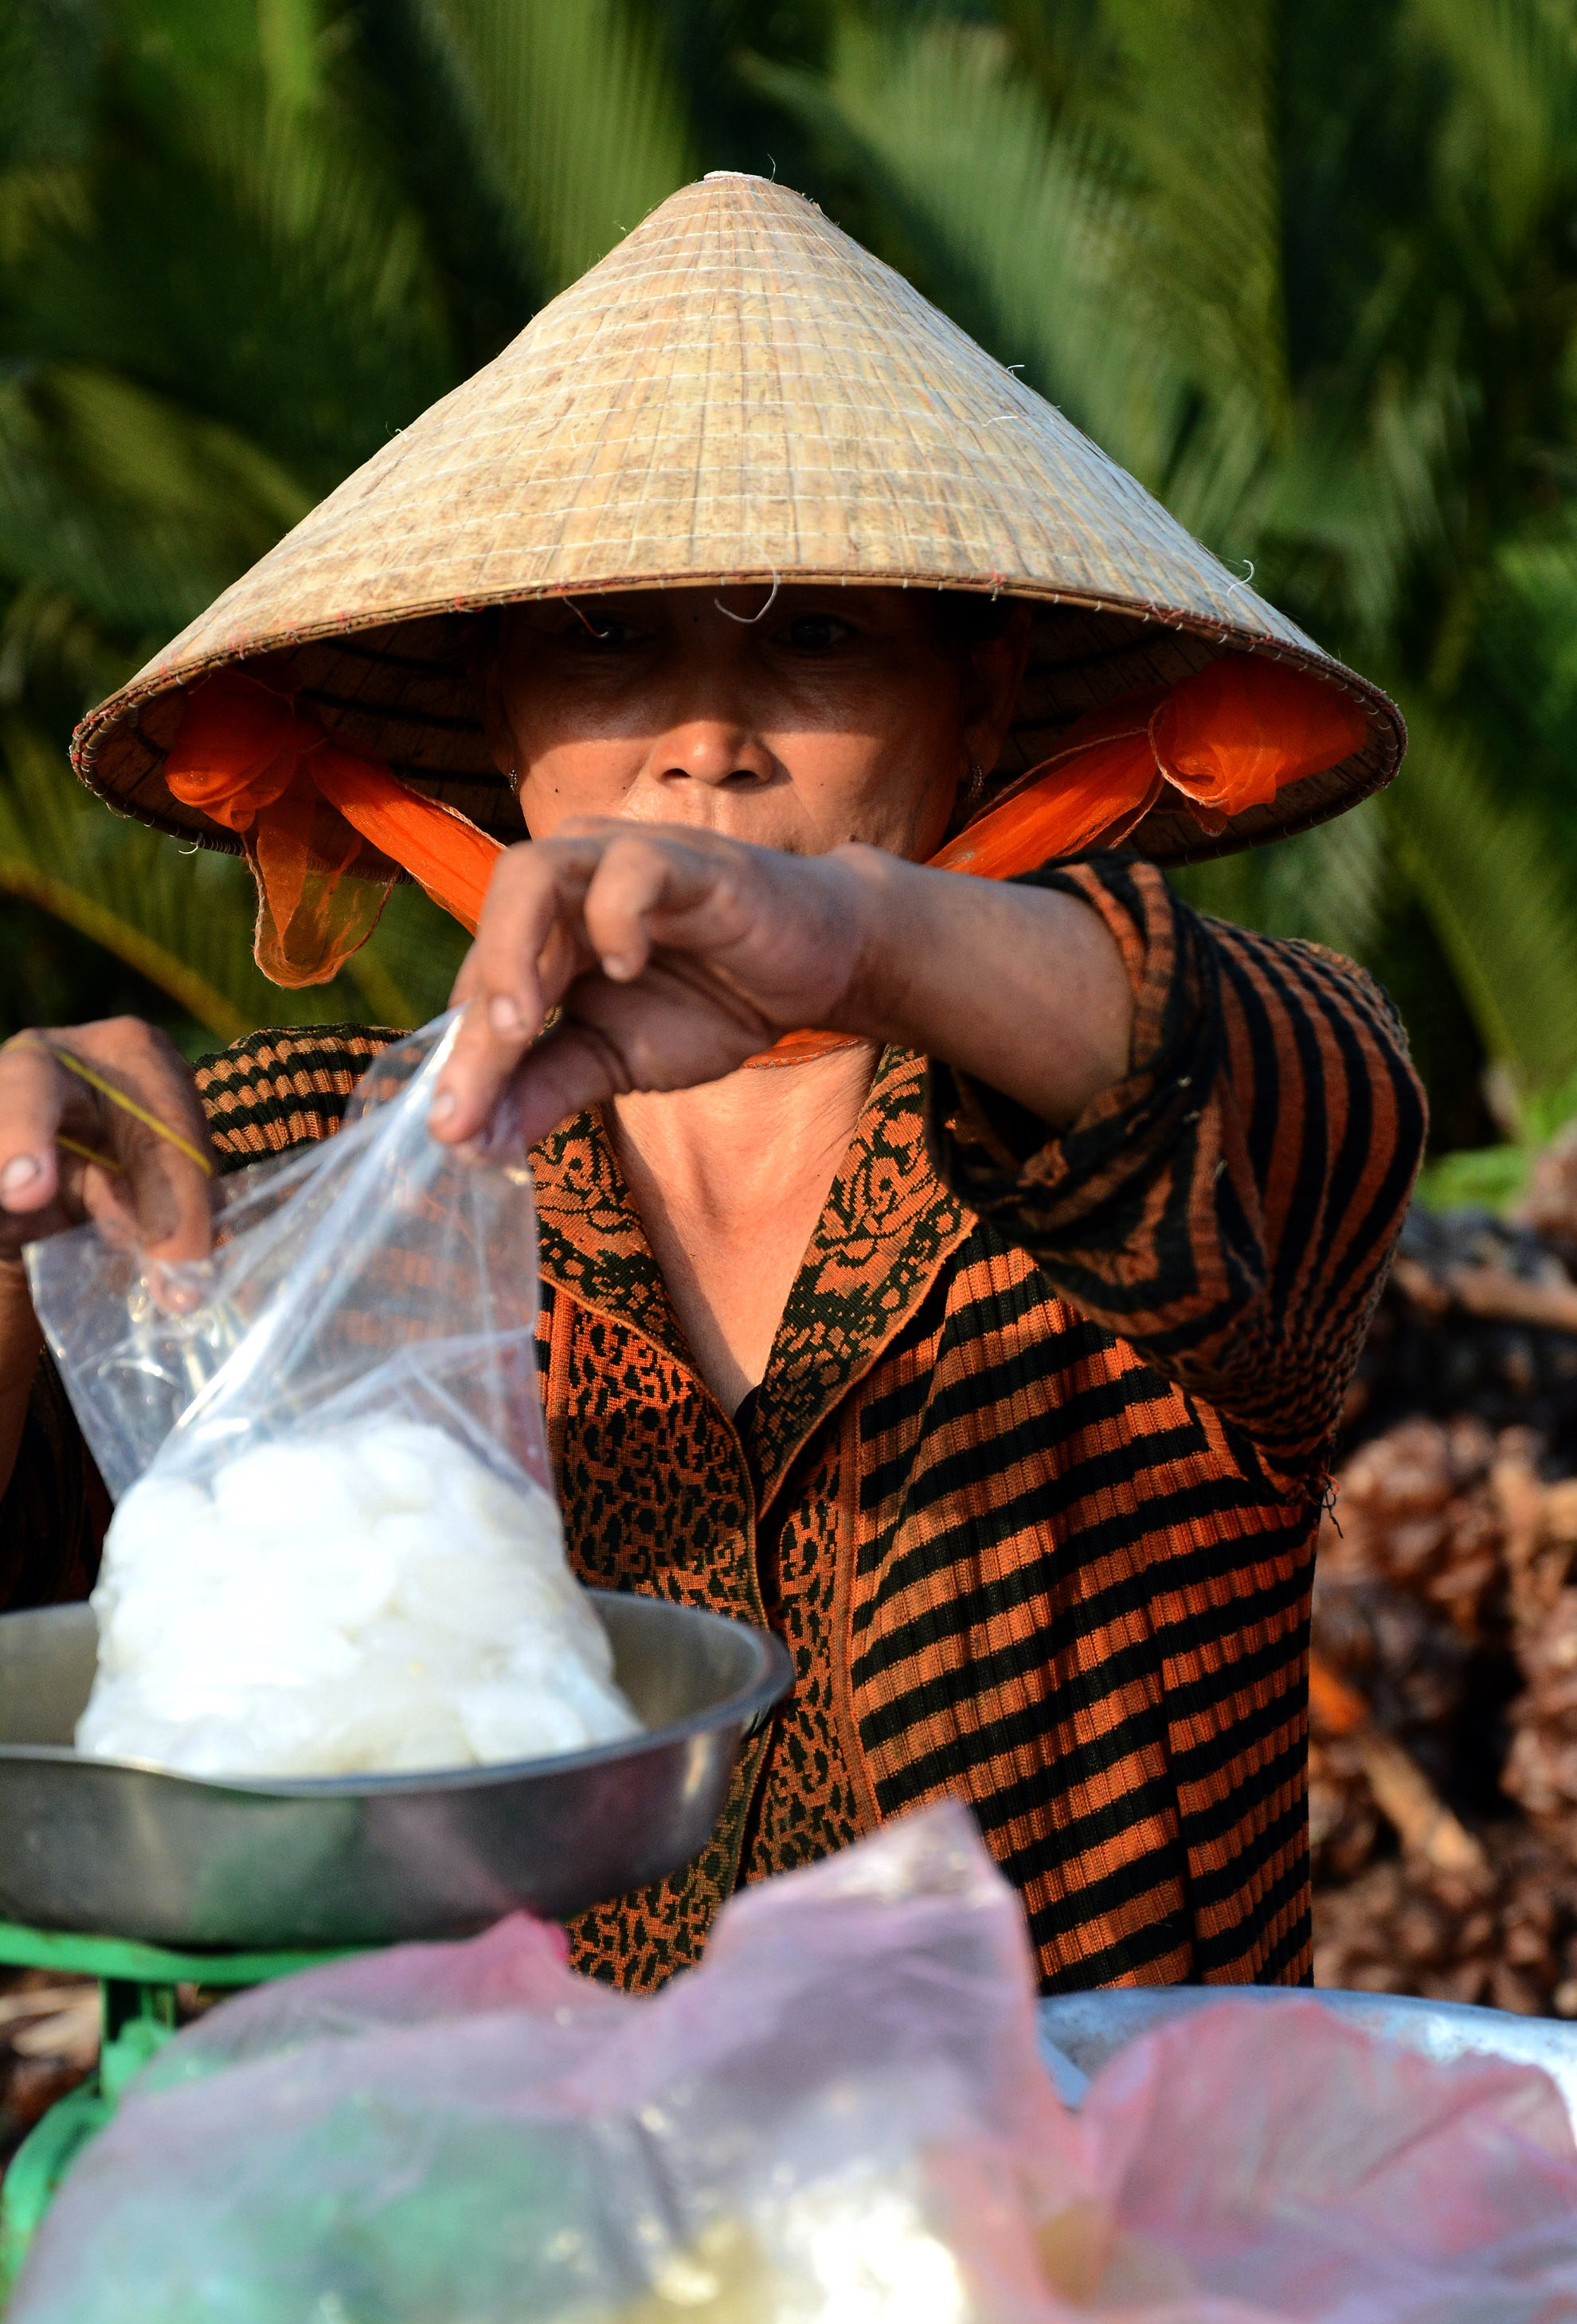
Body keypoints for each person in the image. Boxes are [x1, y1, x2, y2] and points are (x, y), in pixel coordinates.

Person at [0, 177, 1423, 1992]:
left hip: (1070, 2242)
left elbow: (1309, 1078)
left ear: (976, 706)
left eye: (814, 636)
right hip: (443, 2237)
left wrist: (844, 934)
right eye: (603, 641)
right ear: (497, 712)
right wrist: (22, 1235)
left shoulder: (1118, 1156)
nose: (703, 734)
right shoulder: (272, 1173)